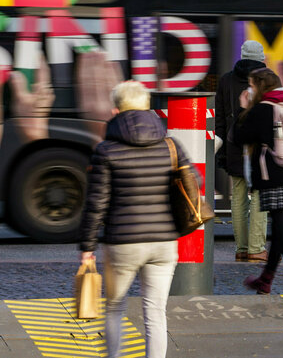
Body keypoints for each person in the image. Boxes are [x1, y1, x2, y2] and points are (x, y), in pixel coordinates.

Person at [79, 80, 193, 358]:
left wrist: (87, 247)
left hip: (123, 242)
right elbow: (192, 183)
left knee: (115, 307)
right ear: (147, 107)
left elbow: (96, 203)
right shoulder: (171, 145)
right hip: (164, 242)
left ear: (115, 110)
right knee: (155, 312)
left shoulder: (106, 150)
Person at [234, 67, 283, 295]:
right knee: (280, 229)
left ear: (259, 87)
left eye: (252, 85)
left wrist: (243, 108)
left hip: (274, 174)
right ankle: (266, 279)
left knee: (281, 226)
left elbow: (240, 137)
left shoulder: (261, 110)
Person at [216, 40, 269, 262]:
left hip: (234, 143)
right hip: (260, 145)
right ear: (261, 57)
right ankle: (257, 247)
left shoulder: (227, 79)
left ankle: (242, 248)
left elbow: (219, 116)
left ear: (242, 55)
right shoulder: (268, 78)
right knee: (259, 195)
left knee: (238, 197)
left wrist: (221, 148)